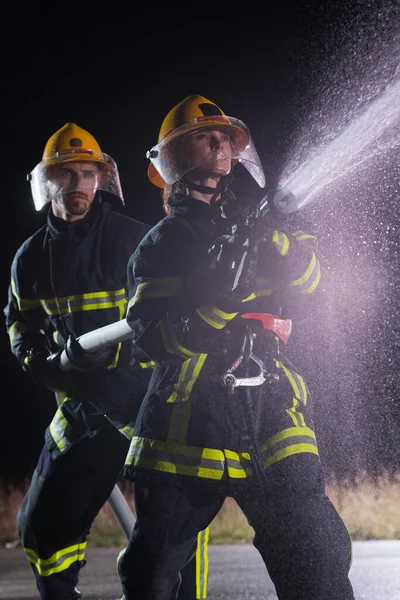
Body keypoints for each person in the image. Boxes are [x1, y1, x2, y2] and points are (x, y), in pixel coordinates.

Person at [117, 94, 356, 600]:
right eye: (207, 136)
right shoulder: (162, 244)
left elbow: (315, 289)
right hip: (185, 419)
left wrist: (281, 247)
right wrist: (219, 298)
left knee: (317, 555)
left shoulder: (260, 224)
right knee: (153, 572)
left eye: (226, 136)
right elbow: (154, 338)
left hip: (269, 405)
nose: (221, 143)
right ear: (177, 157)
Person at [4, 123, 209, 600]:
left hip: (143, 399)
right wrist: (43, 362)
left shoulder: (136, 240)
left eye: (89, 173)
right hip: (80, 403)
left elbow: (165, 317)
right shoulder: (29, 260)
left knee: (172, 523)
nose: (79, 185)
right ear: (46, 182)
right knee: (40, 523)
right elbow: (21, 327)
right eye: (67, 174)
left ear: (102, 179)